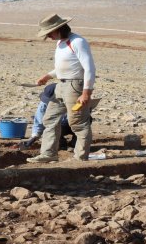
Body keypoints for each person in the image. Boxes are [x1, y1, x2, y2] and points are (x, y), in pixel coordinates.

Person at [27, 14, 96, 163]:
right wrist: (48, 76)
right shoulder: (60, 43)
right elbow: (65, 67)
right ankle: (48, 153)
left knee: (78, 122)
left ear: (59, 29)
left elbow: (89, 68)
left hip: (75, 86)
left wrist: (86, 93)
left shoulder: (77, 42)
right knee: (49, 119)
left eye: (50, 33)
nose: (49, 37)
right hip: (61, 85)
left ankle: (80, 157)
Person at [22, 83, 76, 150]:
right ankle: (61, 143)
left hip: (72, 123)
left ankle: (75, 143)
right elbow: (39, 119)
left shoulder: (73, 97)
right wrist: (34, 136)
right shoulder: (44, 104)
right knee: (48, 123)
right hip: (58, 125)